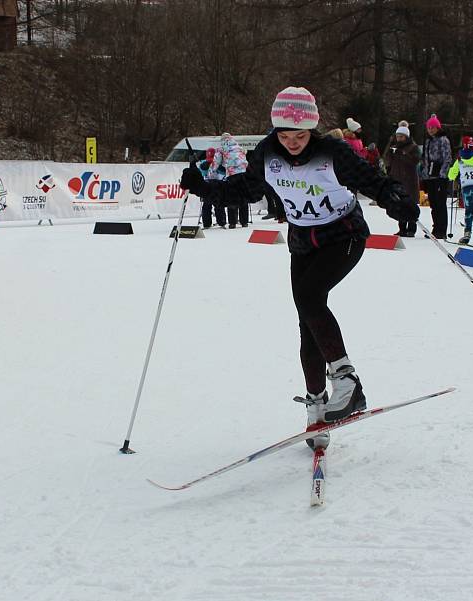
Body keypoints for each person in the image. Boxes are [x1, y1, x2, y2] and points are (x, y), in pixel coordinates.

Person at [179, 86, 419, 443]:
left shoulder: (331, 152)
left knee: (309, 297)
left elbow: (371, 181)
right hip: (303, 243)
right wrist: (204, 187)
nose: (292, 142)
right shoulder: (267, 154)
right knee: (308, 324)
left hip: (344, 236)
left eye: (300, 135)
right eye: (285, 135)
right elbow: (245, 190)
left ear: (313, 131)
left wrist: (395, 198)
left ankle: (346, 380)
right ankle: (317, 407)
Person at [384, 122, 421, 237]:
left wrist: (403, 154)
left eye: (401, 136)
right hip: (397, 179)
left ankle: (411, 228)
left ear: (406, 136)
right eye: (397, 136)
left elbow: (414, 161)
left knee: (410, 203)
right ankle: (402, 228)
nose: (399, 139)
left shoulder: (413, 147)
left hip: (410, 180)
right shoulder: (394, 146)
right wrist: (390, 152)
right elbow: (387, 160)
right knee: (399, 204)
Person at [421, 114, 453, 238]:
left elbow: (447, 158)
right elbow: (425, 158)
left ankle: (442, 229)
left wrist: (442, 174)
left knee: (440, 203)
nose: (430, 130)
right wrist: (425, 173)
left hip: (440, 176)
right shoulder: (428, 141)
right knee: (433, 204)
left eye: (433, 128)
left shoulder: (443, 140)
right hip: (430, 176)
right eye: (429, 128)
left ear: (438, 128)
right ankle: (436, 228)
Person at [209, 133, 250, 228]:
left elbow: (216, 163)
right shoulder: (239, 147)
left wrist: (210, 175)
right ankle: (244, 222)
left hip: (232, 174)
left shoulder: (221, 149)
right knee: (243, 198)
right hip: (244, 174)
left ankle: (233, 222)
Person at [198, 148, 227, 228]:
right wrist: (204, 168)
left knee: (218, 205)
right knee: (206, 205)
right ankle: (207, 223)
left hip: (218, 185)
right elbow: (201, 174)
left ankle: (221, 222)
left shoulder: (220, 162)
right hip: (207, 185)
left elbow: (224, 173)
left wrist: (219, 168)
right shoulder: (203, 163)